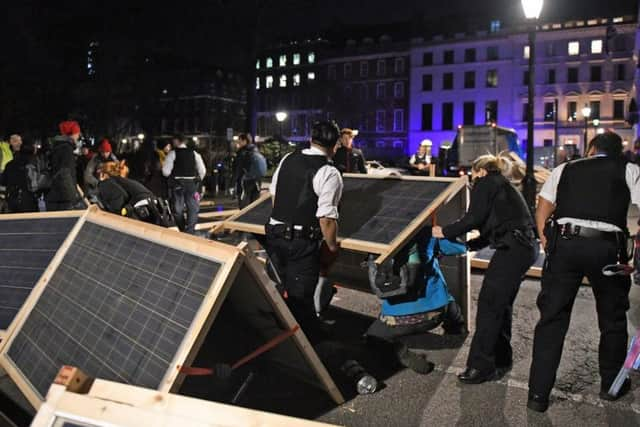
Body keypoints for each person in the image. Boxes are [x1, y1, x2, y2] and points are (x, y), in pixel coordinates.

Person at [527, 131, 640, 412]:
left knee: (552, 318)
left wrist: (546, 240)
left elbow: (544, 204)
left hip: (566, 244)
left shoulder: (565, 168)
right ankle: (610, 385)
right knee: (612, 318)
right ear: (618, 151)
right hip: (607, 249)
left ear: (591, 148)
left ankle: (538, 394)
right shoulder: (628, 169)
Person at [432, 154, 538, 384]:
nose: (471, 178)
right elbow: (494, 227)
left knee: (490, 305)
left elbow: (473, 218)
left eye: (472, 173)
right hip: (524, 247)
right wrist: (468, 246)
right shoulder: (502, 185)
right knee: (501, 304)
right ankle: (501, 358)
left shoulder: (487, 183)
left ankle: (481, 366)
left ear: (479, 170)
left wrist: (445, 231)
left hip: (513, 249)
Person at [265, 120, 343, 337]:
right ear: (336, 145)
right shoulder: (329, 172)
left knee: (277, 290)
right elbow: (326, 219)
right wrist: (332, 247)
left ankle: (277, 334)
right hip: (301, 243)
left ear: (311, 139)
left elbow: (274, 196)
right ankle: (310, 348)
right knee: (301, 301)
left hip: (274, 235)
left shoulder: (288, 159)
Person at [97, 161, 173, 226]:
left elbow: (120, 196)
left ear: (104, 174)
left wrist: (116, 216)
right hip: (153, 205)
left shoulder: (106, 183)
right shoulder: (121, 181)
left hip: (141, 206)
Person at [162, 134, 206, 234]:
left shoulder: (172, 153)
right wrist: (197, 180)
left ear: (177, 141)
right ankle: (190, 230)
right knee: (193, 208)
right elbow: (202, 170)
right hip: (191, 184)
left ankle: (182, 228)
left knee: (177, 209)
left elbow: (166, 172)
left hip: (177, 183)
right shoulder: (194, 153)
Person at [46, 121, 84, 211]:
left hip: (57, 197)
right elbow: (65, 174)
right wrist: (73, 198)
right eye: (77, 133)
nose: (78, 136)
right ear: (72, 134)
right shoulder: (66, 150)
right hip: (63, 199)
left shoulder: (59, 147)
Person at [0, 140, 39, 213]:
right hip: (28, 198)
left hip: (12, 197)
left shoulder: (10, 164)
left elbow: (3, 181)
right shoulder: (32, 164)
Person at [234, 133, 267, 208]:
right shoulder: (255, 150)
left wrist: (233, 182)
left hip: (246, 180)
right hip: (257, 179)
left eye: (239, 141)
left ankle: (244, 218)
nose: (238, 143)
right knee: (254, 201)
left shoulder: (243, 152)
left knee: (244, 204)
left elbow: (239, 169)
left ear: (244, 141)